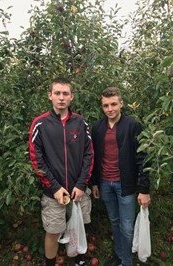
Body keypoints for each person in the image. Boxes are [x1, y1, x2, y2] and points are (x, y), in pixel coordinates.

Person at [29, 77, 94, 266]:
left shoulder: (80, 123)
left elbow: (89, 155)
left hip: (78, 191)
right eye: (57, 93)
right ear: (50, 95)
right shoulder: (40, 124)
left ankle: (78, 260)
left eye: (65, 93)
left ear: (71, 96)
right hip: (53, 192)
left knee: (78, 227)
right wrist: (55, 187)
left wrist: (82, 184)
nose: (61, 97)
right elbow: (36, 158)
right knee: (53, 231)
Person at [91, 87, 151, 266]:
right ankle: (118, 255)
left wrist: (144, 189)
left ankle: (127, 261)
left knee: (126, 227)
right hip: (104, 183)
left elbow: (143, 157)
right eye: (106, 105)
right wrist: (94, 183)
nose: (110, 109)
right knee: (114, 222)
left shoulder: (132, 125)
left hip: (125, 184)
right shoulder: (98, 127)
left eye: (114, 104)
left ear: (121, 104)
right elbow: (94, 156)